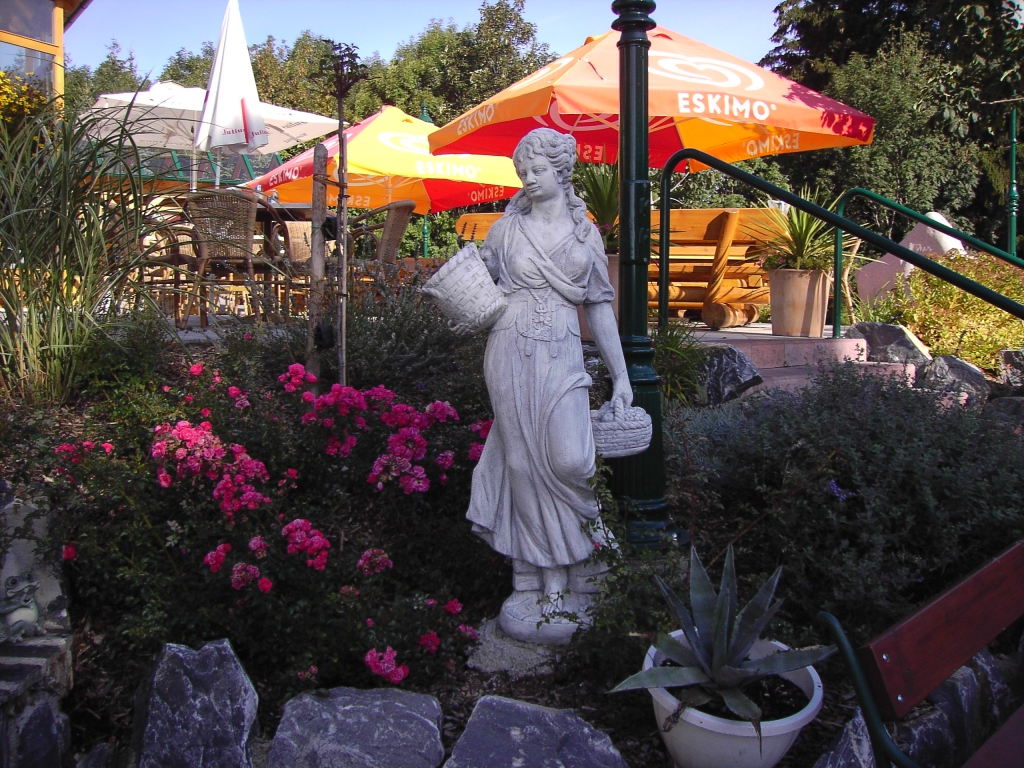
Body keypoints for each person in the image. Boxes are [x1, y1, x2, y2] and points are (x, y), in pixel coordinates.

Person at [465, 128, 631, 635]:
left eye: (538, 170)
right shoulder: (504, 230)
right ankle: (539, 579)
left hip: (562, 352)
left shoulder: (585, 235)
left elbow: (598, 308)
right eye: (523, 172)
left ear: (561, 172)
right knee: (520, 465)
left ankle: (586, 553)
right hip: (511, 348)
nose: (529, 179)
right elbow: (478, 291)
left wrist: (621, 377)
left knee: (570, 460)